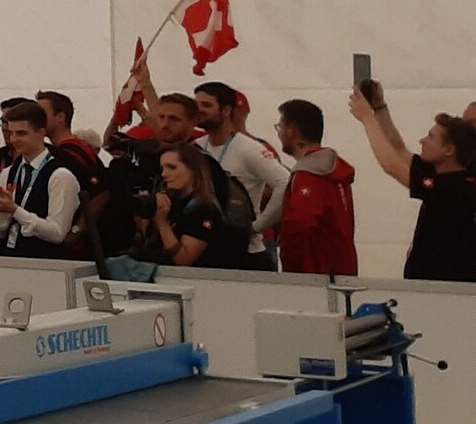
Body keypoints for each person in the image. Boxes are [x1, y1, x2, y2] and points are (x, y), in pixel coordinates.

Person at [351, 83, 476, 282]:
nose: (422, 141)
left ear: (449, 150)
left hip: (444, 288)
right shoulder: (443, 172)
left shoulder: (457, 189)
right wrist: (379, 108)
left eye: (430, 137)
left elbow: (391, 166)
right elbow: (399, 151)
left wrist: (367, 119)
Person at [196, 80, 289, 265]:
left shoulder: (249, 148)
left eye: (206, 105)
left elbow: (285, 181)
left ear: (226, 110)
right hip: (206, 247)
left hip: (245, 251)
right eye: (196, 105)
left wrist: (258, 225)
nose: (199, 110)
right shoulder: (196, 147)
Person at [0, 101, 81, 258]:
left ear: (41, 132)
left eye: (21, 133)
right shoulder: (8, 173)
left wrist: (15, 210)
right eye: (11, 133)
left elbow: (57, 233)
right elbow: (0, 231)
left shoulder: (60, 176)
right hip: (11, 257)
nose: (14, 139)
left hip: (45, 262)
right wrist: (1, 210)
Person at [272, 99, 357, 277]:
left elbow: (299, 222)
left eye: (280, 127)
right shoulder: (334, 172)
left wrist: (290, 264)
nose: (278, 133)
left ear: (292, 131)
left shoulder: (309, 176)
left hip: (314, 274)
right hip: (340, 271)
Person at [148, 146, 245, 269]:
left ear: (193, 170)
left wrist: (162, 223)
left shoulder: (204, 209)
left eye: (172, 167)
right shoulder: (175, 203)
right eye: (162, 169)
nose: (164, 174)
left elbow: (184, 259)